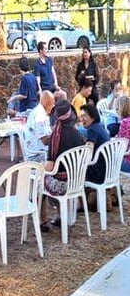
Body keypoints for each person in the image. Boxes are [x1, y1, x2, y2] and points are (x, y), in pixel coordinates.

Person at [41, 100, 83, 231]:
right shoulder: (78, 134)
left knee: (38, 180)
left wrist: (38, 168)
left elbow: (49, 167)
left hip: (62, 185)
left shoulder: (56, 136)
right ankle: (59, 217)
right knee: (57, 174)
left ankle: (42, 221)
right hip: (78, 181)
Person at [80, 103, 110, 184]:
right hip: (108, 169)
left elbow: (88, 152)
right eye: (81, 116)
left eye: (84, 116)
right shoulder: (100, 126)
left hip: (98, 172)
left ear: (92, 117)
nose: (81, 119)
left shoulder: (92, 130)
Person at [23, 90, 55, 162]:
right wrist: (58, 135)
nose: (53, 106)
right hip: (37, 155)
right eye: (53, 103)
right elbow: (45, 141)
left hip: (37, 151)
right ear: (47, 103)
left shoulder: (39, 111)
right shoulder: (40, 115)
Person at [115, 95, 130, 173]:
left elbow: (122, 146)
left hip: (127, 162)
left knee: (106, 160)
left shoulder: (125, 123)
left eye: (117, 107)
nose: (116, 109)